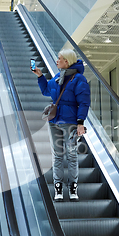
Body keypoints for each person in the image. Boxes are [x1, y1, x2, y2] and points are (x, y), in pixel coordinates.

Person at [32, 49, 91, 202]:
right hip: (54, 122)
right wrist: (40, 76)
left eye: (59, 58)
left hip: (71, 123)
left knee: (71, 155)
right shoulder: (58, 76)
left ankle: (72, 187)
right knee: (57, 155)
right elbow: (46, 90)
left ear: (67, 61)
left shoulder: (79, 79)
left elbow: (84, 102)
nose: (57, 61)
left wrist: (80, 123)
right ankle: (58, 187)